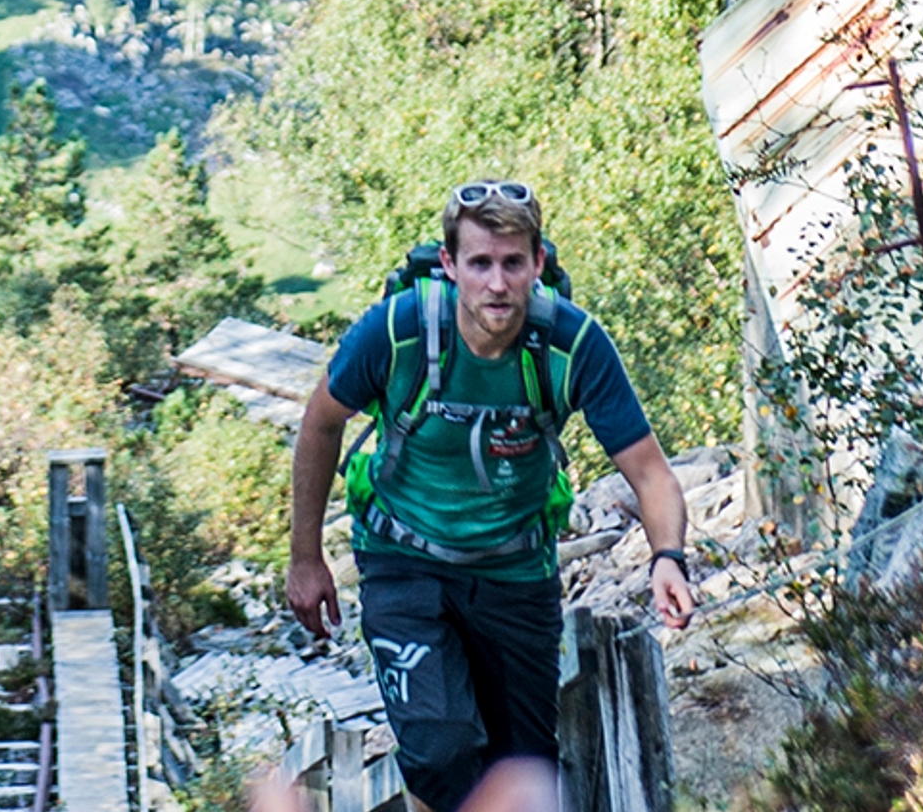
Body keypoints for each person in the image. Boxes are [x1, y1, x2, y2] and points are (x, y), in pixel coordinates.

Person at [285, 180, 692, 812]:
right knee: (441, 749)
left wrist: (669, 555)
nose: (497, 284)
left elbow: (651, 473)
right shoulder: (398, 331)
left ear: (536, 262)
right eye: (479, 263)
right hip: (404, 563)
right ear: (450, 266)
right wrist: (305, 558)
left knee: (523, 776)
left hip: (516, 574)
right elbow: (321, 422)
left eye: (512, 263)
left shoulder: (572, 345)